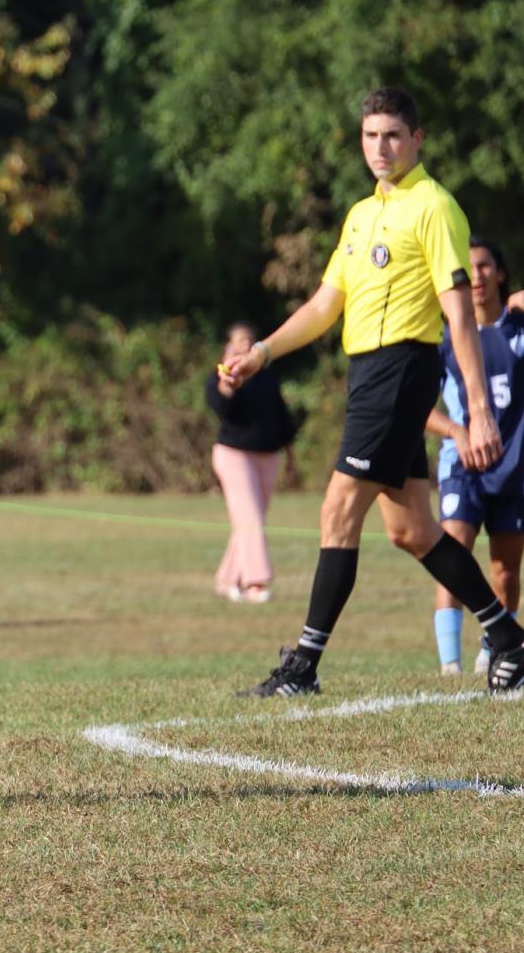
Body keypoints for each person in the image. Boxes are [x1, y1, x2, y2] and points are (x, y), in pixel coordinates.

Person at [224, 88, 524, 696]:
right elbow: (323, 305)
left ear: (417, 140)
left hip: (402, 371)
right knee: (412, 529)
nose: (380, 147)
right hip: (369, 375)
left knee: (337, 510)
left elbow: (459, 318)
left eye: (392, 135)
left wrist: (481, 411)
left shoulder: (435, 208)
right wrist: (261, 353)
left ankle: (303, 667)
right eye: (370, 136)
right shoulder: (362, 215)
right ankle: (511, 641)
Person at [426, 238, 524, 676]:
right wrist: (457, 431)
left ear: (499, 273)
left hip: (514, 468)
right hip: (461, 465)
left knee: (505, 572)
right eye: (467, 270)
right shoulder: (444, 338)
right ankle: (450, 665)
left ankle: (495, 650)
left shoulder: (517, 329)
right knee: (453, 552)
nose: (477, 276)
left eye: (484, 266)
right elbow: (415, 405)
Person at [205, 321, 298, 603]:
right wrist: (227, 385)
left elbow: (282, 416)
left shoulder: (267, 377)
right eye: (239, 340)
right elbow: (221, 408)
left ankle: (226, 578)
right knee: (250, 519)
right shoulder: (221, 376)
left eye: (249, 340)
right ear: (228, 346)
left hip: (268, 455)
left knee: (250, 521)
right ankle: (255, 581)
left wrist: (291, 456)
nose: (245, 345)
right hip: (234, 454)